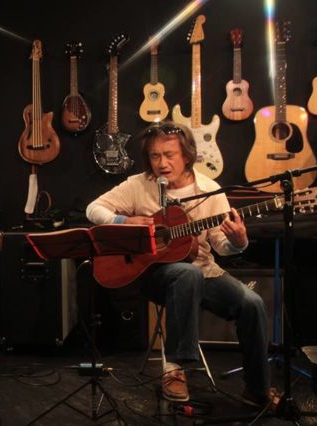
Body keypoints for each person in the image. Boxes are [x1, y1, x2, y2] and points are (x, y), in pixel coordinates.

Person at [86, 121, 276, 407]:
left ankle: (257, 389)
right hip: (150, 273)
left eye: (169, 155)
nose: (161, 163)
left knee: (252, 303)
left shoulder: (210, 190)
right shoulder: (139, 185)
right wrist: (124, 220)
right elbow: (94, 209)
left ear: (187, 155)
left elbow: (221, 247)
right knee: (186, 274)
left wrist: (238, 241)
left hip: (203, 270)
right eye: (154, 156)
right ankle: (175, 368)